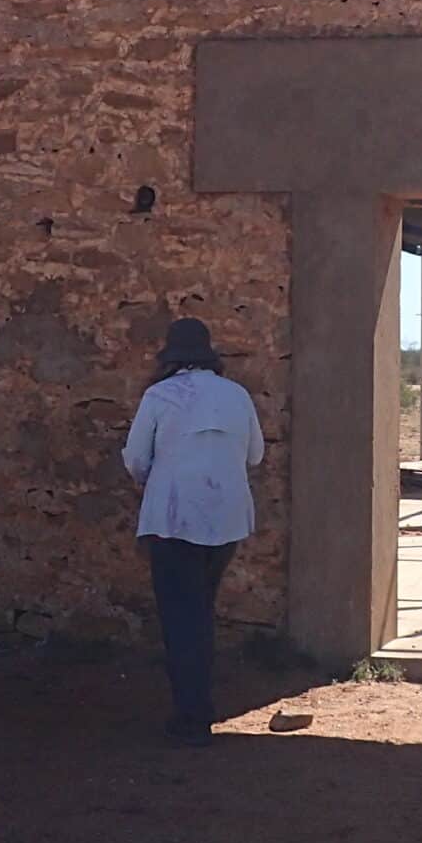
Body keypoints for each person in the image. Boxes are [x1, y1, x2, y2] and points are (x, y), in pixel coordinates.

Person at [121, 317, 266, 746]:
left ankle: (192, 716)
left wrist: (157, 475)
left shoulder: (159, 396)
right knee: (200, 610)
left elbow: (136, 459)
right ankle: (198, 703)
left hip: (173, 518)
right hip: (227, 519)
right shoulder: (237, 395)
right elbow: (255, 455)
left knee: (181, 617)